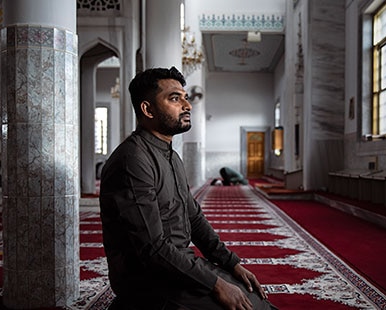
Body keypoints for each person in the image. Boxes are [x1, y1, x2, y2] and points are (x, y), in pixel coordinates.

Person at [99, 66, 277, 310]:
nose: (187, 105)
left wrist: (231, 264)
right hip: (148, 282)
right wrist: (215, 284)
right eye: (175, 98)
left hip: (177, 267)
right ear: (147, 109)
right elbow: (152, 249)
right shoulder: (133, 161)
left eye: (185, 97)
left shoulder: (172, 157)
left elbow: (193, 218)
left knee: (258, 302)